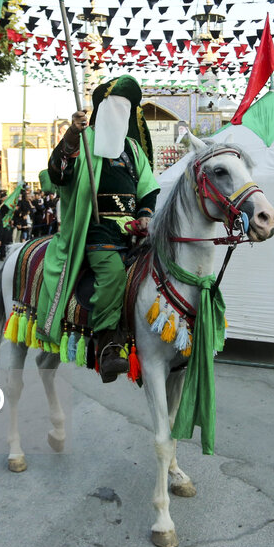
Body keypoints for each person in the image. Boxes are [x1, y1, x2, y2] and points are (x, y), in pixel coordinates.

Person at [39, 75, 160, 382]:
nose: (122, 110)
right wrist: (69, 137)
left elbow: (148, 190)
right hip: (96, 228)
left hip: (134, 229)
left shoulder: (133, 149)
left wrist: (145, 215)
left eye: (127, 106)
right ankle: (108, 344)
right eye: (115, 104)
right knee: (112, 274)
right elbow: (59, 173)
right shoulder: (83, 140)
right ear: (100, 109)